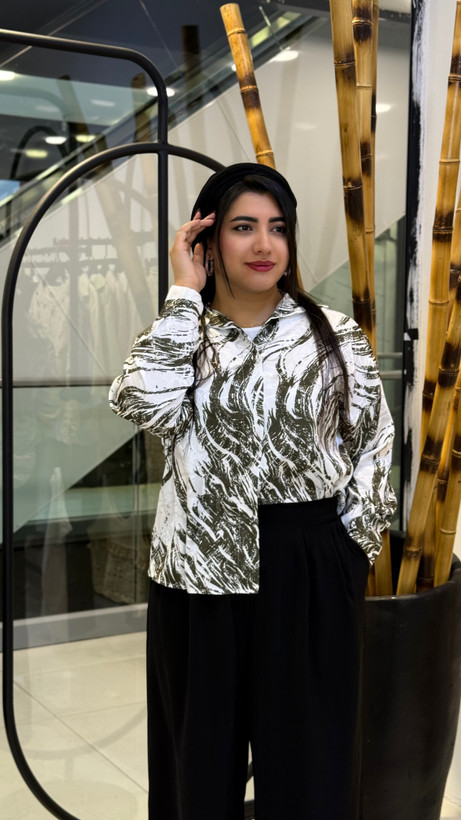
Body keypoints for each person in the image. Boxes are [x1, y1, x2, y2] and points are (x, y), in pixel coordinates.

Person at [109, 162, 396, 820]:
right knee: (197, 767)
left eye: (277, 227)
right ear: (207, 242)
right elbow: (141, 404)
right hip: (197, 565)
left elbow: (373, 443)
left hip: (310, 561)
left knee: (312, 768)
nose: (264, 244)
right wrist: (183, 296)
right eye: (243, 227)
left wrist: (351, 549)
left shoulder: (333, 335)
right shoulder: (183, 332)